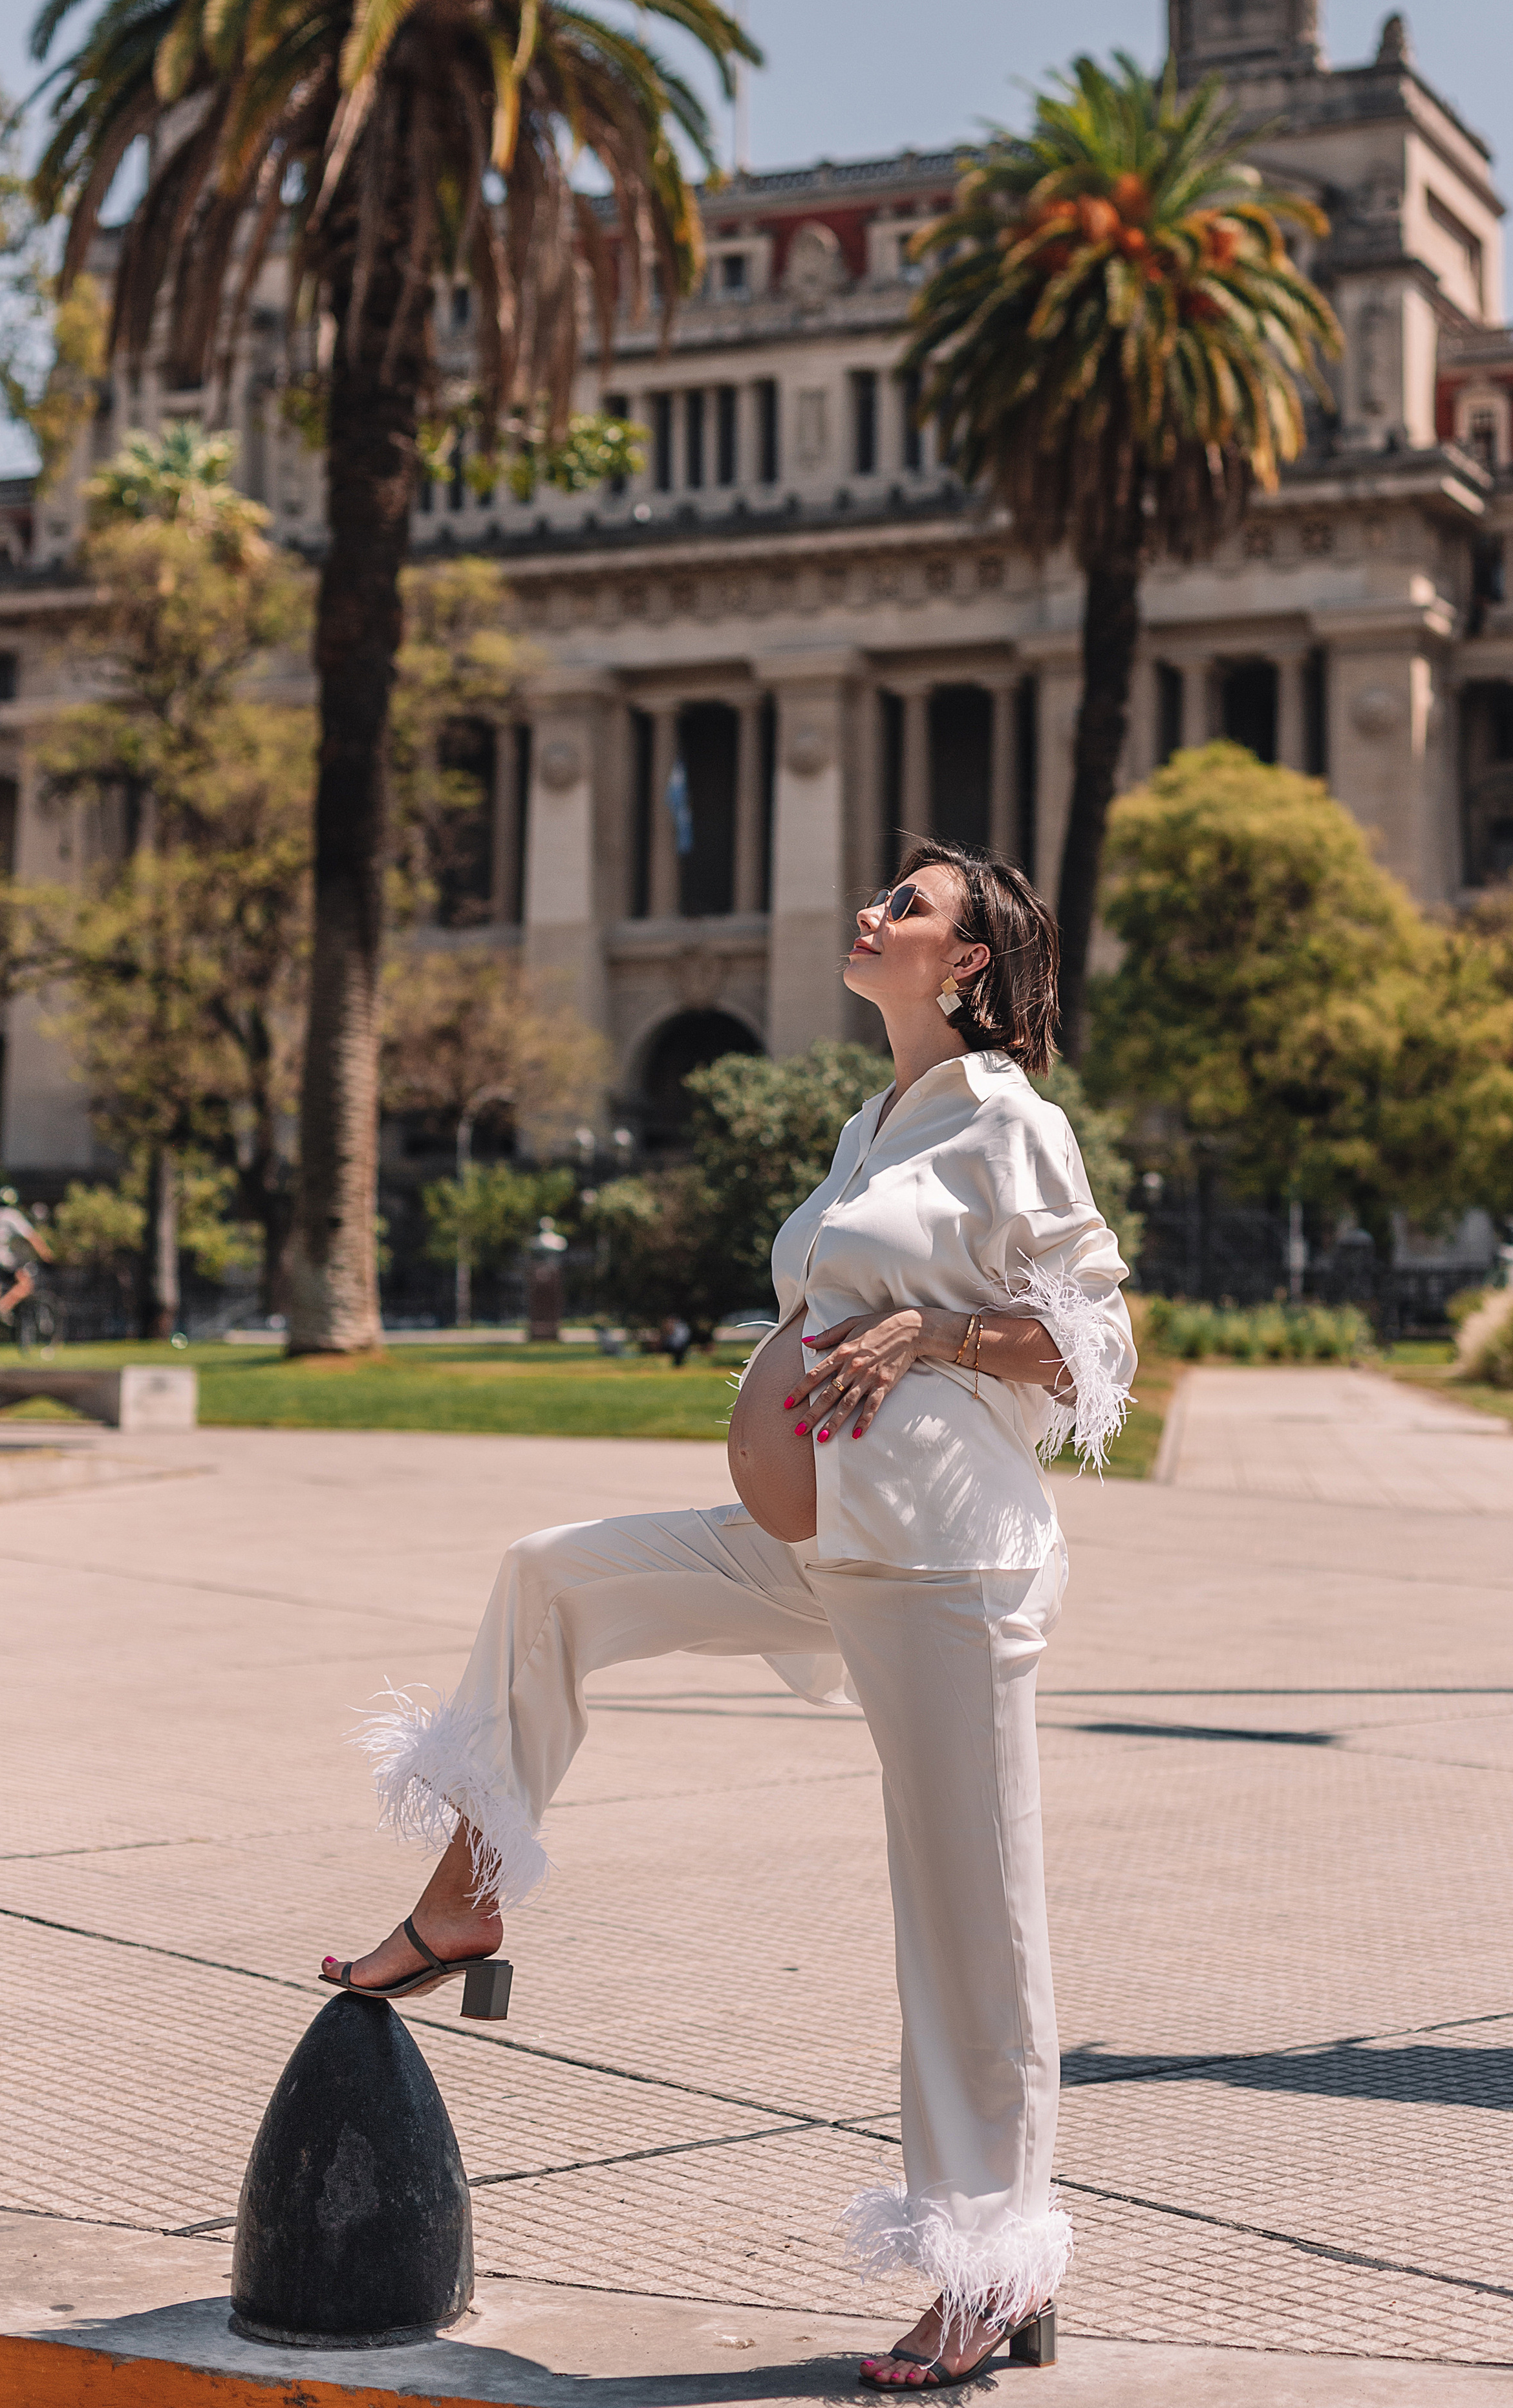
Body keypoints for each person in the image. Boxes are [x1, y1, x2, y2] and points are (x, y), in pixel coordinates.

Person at [323, 839, 1136, 2389]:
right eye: (883, 893)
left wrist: (927, 1328)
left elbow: (1091, 1339)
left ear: (964, 963)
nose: (873, 912)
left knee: (969, 1919)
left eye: (909, 904)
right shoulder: (870, 1120)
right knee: (552, 1570)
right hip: (818, 1538)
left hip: (943, 1568)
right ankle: (465, 1892)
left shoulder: (1009, 1123)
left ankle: (986, 2265)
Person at [0, 1188, 51, 1326]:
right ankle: (3, 1307)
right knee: (26, 1285)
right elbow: (31, 1236)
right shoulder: (12, 1215)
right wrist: (46, 1254)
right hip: (5, 1260)